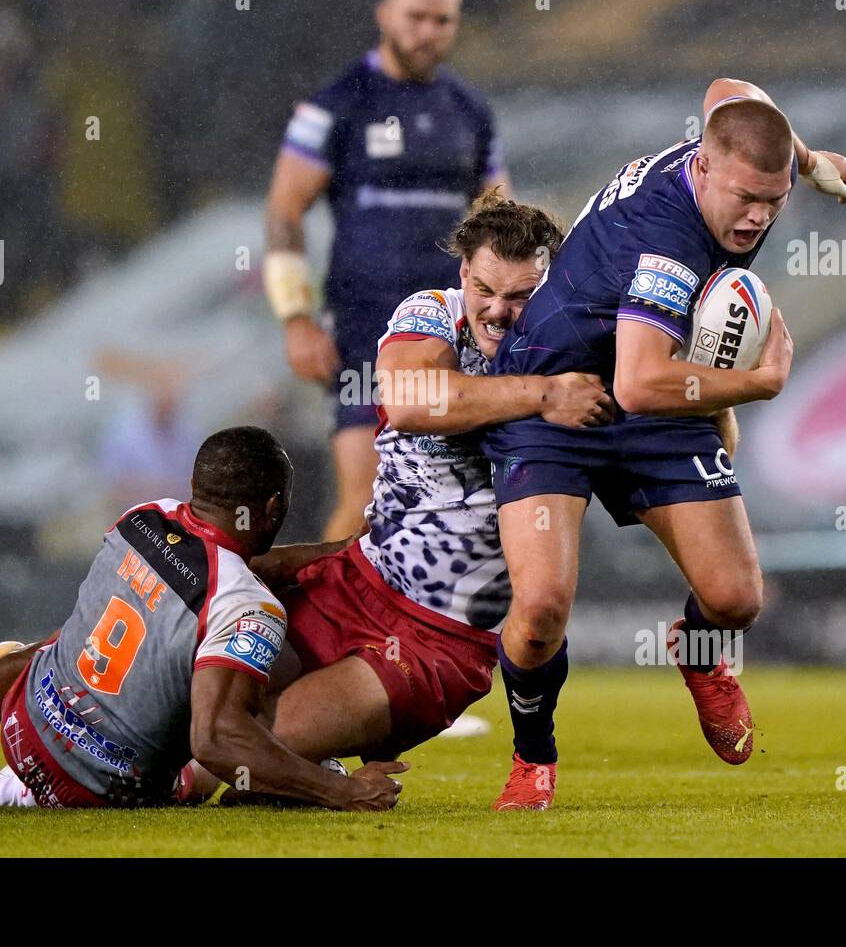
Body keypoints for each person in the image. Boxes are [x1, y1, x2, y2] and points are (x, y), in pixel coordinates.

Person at [482, 78, 846, 809]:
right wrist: (757, 385)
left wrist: (808, 162)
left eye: (773, 201)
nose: (757, 217)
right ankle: (534, 757)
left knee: (734, 598)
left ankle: (696, 653)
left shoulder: (730, 149)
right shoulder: (668, 242)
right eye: (745, 198)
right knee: (539, 612)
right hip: (554, 395)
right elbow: (638, 382)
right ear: (706, 168)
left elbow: (736, 91)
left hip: (647, 381)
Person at [249, 192, 610, 769]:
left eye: (519, 297)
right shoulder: (432, 311)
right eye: (484, 290)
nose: (495, 311)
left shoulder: (581, 351)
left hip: (439, 639)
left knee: (245, 748)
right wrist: (544, 396)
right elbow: (408, 400)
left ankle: (307, 764)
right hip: (357, 577)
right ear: (463, 271)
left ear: (553, 285)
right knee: (195, 699)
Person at [0, 426, 405, 811]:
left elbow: (228, 565)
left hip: (26, 717)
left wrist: (337, 550)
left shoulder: (144, 516)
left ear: (197, 485)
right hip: (95, 786)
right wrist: (341, 792)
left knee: (69, 641)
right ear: (273, 506)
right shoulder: (247, 606)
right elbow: (217, 741)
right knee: (216, 739)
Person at [263, 0, 508, 542]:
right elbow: (283, 213)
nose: (428, 32)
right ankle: (300, 632)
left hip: (457, 332)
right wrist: (296, 319)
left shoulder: (471, 113)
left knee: (469, 509)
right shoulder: (338, 104)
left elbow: (500, 220)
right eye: (416, 17)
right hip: (364, 329)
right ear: (384, 16)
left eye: (443, 20)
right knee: (365, 506)